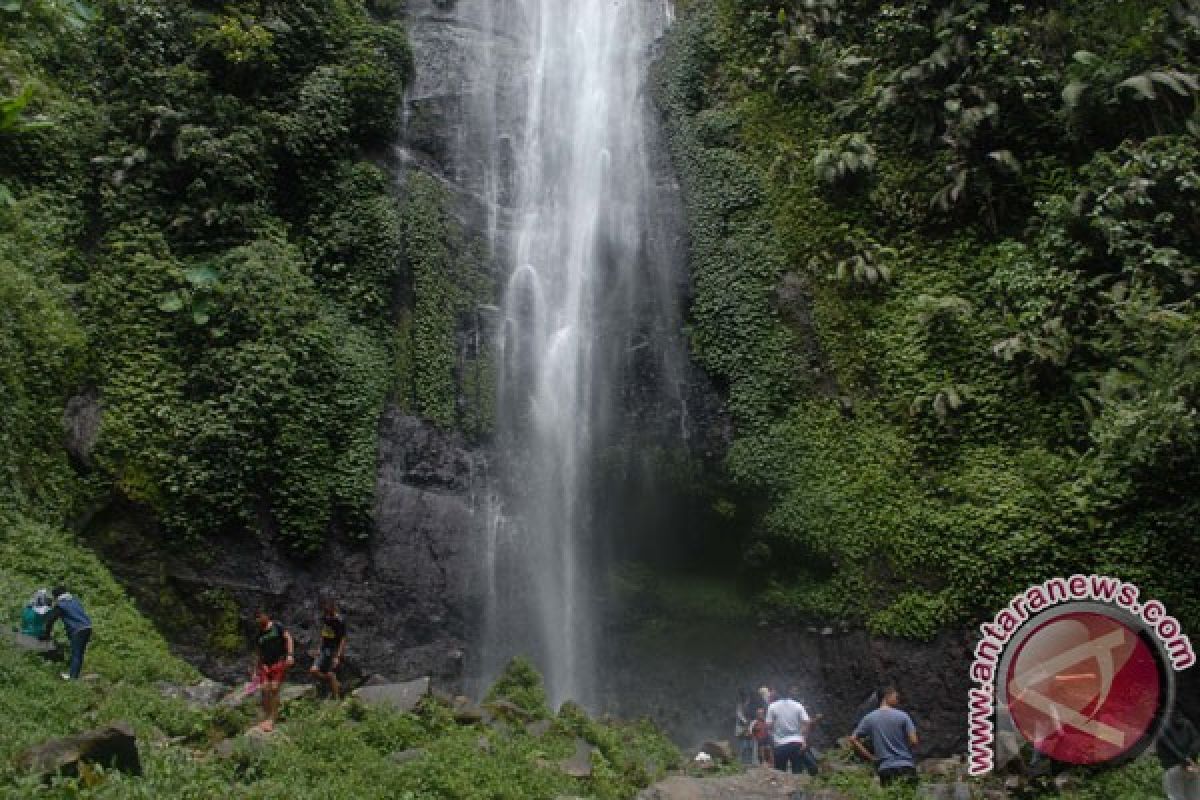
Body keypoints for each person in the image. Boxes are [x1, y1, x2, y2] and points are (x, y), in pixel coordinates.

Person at [850, 685, 919, 787]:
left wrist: (872, 758)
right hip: (906, 765)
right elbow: (914, 741)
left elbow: (853, 739)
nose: (898, 700)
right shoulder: (903, 715)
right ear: (887, 697)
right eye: (896, 697)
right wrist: (904, 750)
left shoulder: (869, 718)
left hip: (885, 768)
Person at [253, 609, 294, 732]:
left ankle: (272, 719)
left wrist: (290, 655)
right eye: (256, 618)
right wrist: (256, 669)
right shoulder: (259, 633)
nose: (258, 620)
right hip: (266, 665)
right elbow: (259, 652)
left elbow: (289, 638)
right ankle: (266, 717)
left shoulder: (277, 626)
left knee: (275, 688)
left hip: (279, 661)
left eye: (259, 616)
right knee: (265, 689)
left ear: (266, 615)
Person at [767, 685, 818, 775]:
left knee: (780, 773)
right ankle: (797, 788)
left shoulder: (772, 706)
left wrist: (774, 735)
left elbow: (769, 726)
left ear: (778, 693)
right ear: (789, 692)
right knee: (797, 773)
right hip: (796, 743)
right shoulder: (798, 705)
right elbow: (807, 722)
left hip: (780, 744)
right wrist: (804, 740)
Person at [44, 587, 92, 680]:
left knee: (76, 654)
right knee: (79, 654)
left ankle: (72, 677)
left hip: (77, 629)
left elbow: (50, 620)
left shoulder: (61, 605)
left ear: (56, 596)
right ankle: (75, 675)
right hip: (88, 627)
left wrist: (46, 634)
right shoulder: (74, 600)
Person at [309, 596, 347, 700]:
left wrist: (337, 656)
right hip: (324, 649)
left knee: (330, 673)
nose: (325, 612)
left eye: (327, 609)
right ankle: (334, 682)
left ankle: (337, 699)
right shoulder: (326, 618)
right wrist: (319, 648)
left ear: (333, 608)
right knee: (313, 670)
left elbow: (343, 639)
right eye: (324, 610)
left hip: (333, 649)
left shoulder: (339, 620)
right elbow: (324, 634)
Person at [1158, 711, 1200, 800]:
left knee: (1176, 797)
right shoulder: (1187, 723)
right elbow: (1197, 741)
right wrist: (1188, 756)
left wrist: (1183, 758)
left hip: (1173, 766)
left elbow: (1169, 746)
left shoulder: (1161, 726)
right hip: (1191, 766)